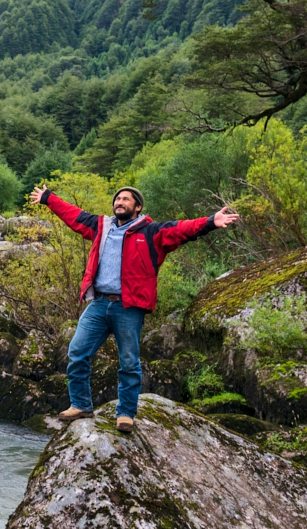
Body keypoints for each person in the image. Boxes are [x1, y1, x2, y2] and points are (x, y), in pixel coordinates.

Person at [29, 184, 238, 432]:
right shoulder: (101, 226)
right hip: (98, 303)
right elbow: (73, 215)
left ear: (137, 207)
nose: (120, 202)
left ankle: (126, 413)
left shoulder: (151, 231)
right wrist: (48, 198)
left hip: (128, 307)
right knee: (77, 352)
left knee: (128, 362)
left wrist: (211, 222)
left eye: (126, 199)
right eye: (118, 198)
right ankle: (81, 405)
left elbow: (183, 229)